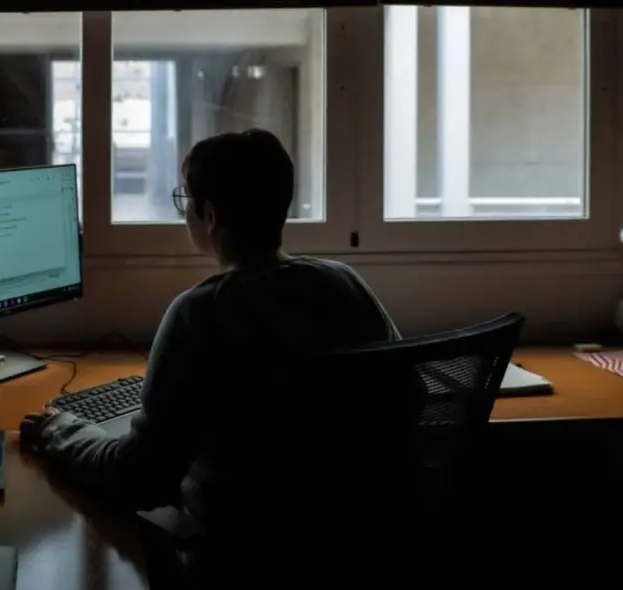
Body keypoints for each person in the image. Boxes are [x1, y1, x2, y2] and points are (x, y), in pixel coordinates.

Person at [20, 129, 403, 585]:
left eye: (186, 200)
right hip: (350, 547)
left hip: (235, 557)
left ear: (210, 214)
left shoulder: (199, 313)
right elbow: (409, 396)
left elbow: (138, 478)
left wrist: (62, 430)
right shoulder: (346, 284)